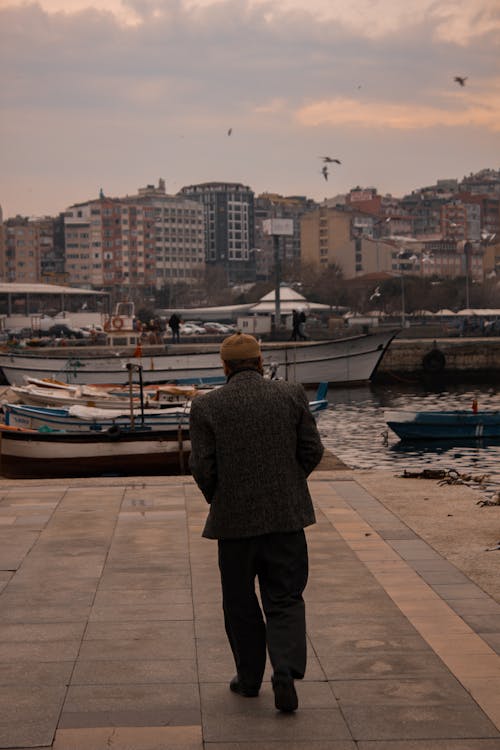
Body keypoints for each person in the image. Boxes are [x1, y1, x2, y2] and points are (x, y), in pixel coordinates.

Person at [189, 332, 324, 713]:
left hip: (233, 526)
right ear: (261, 363)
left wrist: (219, 496)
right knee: (285, 597)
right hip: (286, 520)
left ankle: (249, 680)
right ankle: (284, 668)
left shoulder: (206, 407)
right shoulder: (292, 394)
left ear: (225, 366)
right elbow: (312, 450)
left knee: (240, 603)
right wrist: (289, 486)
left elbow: (202, 467)